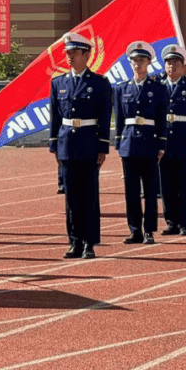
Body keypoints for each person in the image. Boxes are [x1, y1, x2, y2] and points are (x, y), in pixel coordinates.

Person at [49, 32, 112, 259]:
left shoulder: (99, 83)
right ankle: (74, 241)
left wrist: (102, 146)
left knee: (89, 196)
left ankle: (89, 242)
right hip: (67, 144)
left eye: (75, 52)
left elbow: (105, 116)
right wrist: (54, 145)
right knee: (71, 197)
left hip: (89, 143)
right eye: (68, 53)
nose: (70, 56)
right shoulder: (58, 83)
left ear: (87, 55)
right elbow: (55, 117)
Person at [114, 41, 166, 244]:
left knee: (150, 191)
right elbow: (119, 119)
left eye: (142, 60)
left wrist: (162, 144)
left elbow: (161, 118)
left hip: (150, 143)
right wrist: (118, 143)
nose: (138, 64)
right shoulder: (122, 88)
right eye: (135, 60)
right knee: (131, 191)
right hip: (129, 144)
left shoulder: (158, 88)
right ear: (130, 63)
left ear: (148, 63)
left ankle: (149, 230)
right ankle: (135, 230)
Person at [159, 45, 186, 236]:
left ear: (183, 66)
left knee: (184, 185)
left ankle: (185, 223)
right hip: (163, 143)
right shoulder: (158, 87)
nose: (171, 66)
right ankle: (171, 222)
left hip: (183, 141)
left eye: (176, 63)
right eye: (168, 63)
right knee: (166, 185)